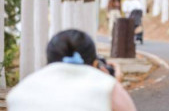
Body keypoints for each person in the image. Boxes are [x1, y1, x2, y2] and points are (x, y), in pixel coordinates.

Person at [7, 29, 137, 111]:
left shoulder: (20, 91)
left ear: (48, 61)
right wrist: (114, 82)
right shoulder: (106, 86)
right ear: (95, 63)